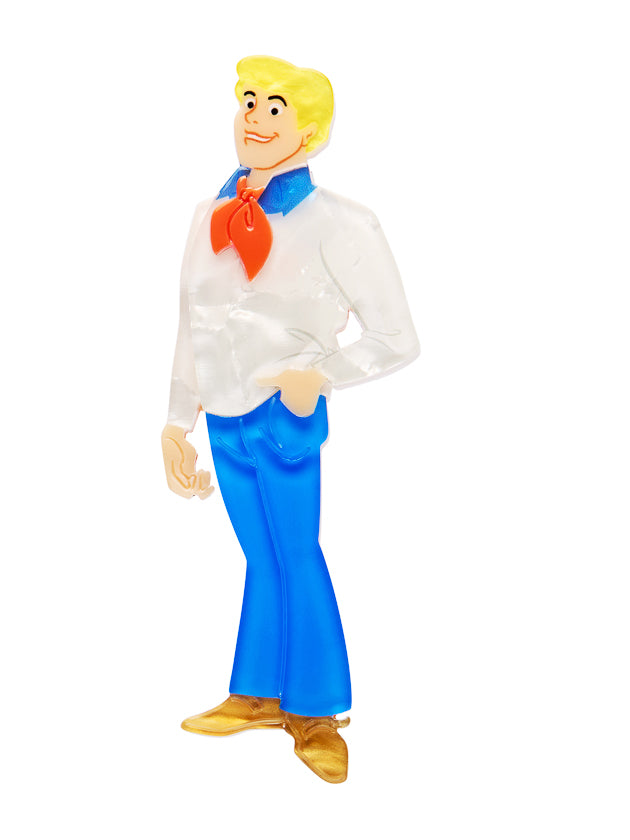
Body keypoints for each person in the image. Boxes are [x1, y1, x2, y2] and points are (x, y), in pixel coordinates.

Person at [161, 55, 419, 783]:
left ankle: (316, 708)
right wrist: (177, 420)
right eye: (248, 100)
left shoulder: (342, 224)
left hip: (284, 413)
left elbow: (397, 337)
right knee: (260, 554)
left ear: (309, 130)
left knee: (297, 552)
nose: (254, 116)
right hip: (223, 418)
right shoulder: (209, 215)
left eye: (274, 107)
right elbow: (192, 320)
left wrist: (320, 376)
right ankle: (257, 691)